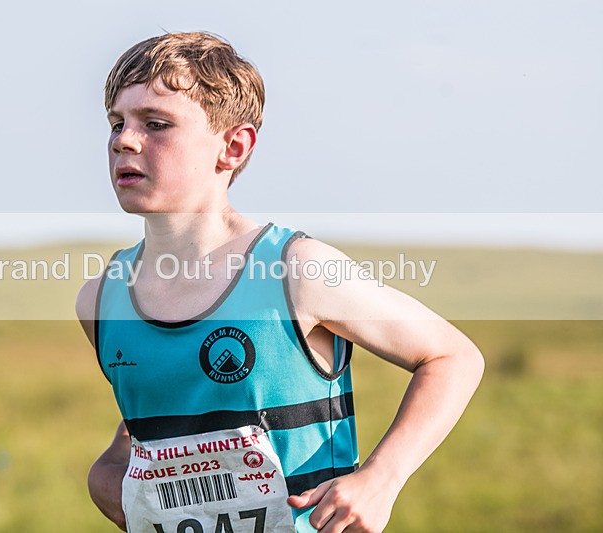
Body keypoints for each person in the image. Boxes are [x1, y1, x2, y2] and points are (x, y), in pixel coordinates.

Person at [75, 31, 484, 533]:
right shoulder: (102, 299)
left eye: (156, 124)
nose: (124, 139)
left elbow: (452, 358)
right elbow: (156, 436)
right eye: (118, 122)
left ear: (232, 147)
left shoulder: (297, 269)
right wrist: (108, 476)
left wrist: (381, 479)